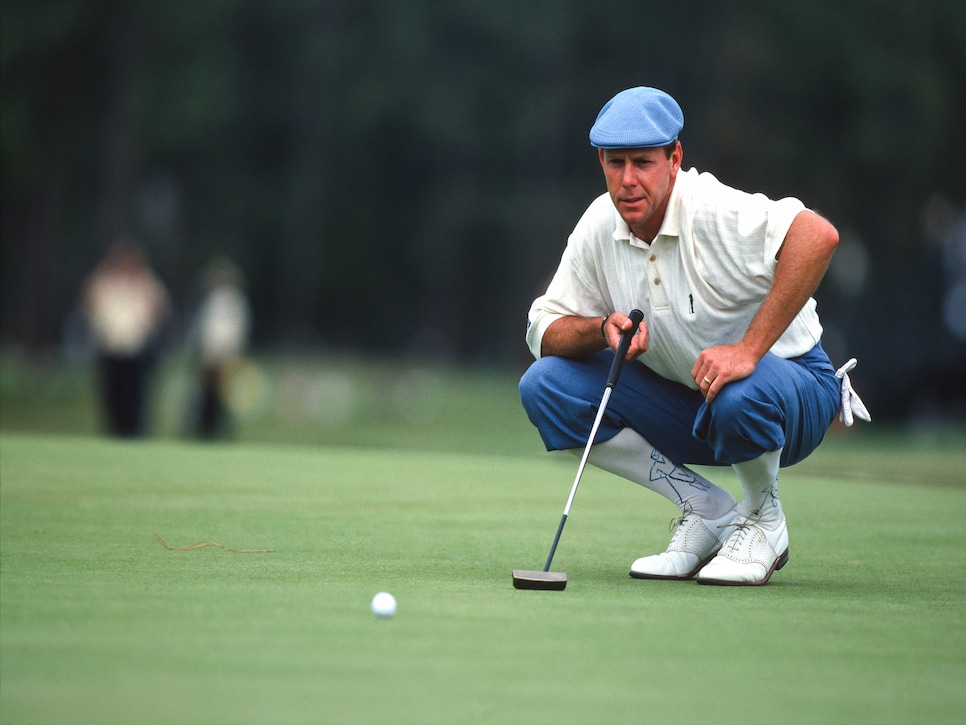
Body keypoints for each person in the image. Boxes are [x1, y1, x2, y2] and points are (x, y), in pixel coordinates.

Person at [519, 87, 868, 586]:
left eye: (643, 162)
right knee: (545, 385)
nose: (629, 179)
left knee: (737, 391)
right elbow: (541, 328)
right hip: (691, 402)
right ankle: (706, 509)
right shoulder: (599, 224)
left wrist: (747, 351)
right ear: (600, 161)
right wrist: (600, 330)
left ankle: (764, 520)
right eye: (615, 163)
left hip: (793, 394)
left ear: (674, 158)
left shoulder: (711, 208)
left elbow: (817, 236)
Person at [82, 240, 170, 437]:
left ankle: (135, 435)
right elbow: (88, 299)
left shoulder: (145, 284)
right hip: (110, 349)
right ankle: (114, 434)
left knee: (135, 399)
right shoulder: (105, 283)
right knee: (112, 399)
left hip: (135, 350)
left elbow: (160, 306)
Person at [188, 257, 251, 439]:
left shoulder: (236, 303)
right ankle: (204, 431)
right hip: (209, 357)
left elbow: (236, 331)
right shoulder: (210, 302)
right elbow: (203, 330)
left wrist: (227, 352)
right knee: (206, 396)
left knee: (224, 397)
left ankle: (222, 433)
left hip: (226, 357)